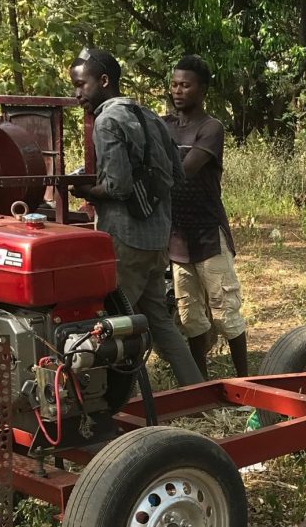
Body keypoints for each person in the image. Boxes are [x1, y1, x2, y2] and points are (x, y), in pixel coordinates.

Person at [69, 48, 205, 387]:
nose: (77, 94)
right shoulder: (149, 115)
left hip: (126, 241)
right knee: (158, 319)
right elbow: (175, 172)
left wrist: (84, 191)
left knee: (114, 323)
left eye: (81, 85)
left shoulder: (106, 120)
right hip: (157, 237)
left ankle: (118, 399)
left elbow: (116, 186)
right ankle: (197, 389)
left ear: (104, 81)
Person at [164, 56, 249, 378]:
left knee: (226, 313)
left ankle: (244, 379)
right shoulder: (164, 126)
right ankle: (201, 383)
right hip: (177, 237)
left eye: (185, 85)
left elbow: (184, 171)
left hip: (208, 235)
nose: (178, 91)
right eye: (174, 84)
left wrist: (153, 166)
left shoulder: (211, 128)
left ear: (202, 90)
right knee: (191, 317)